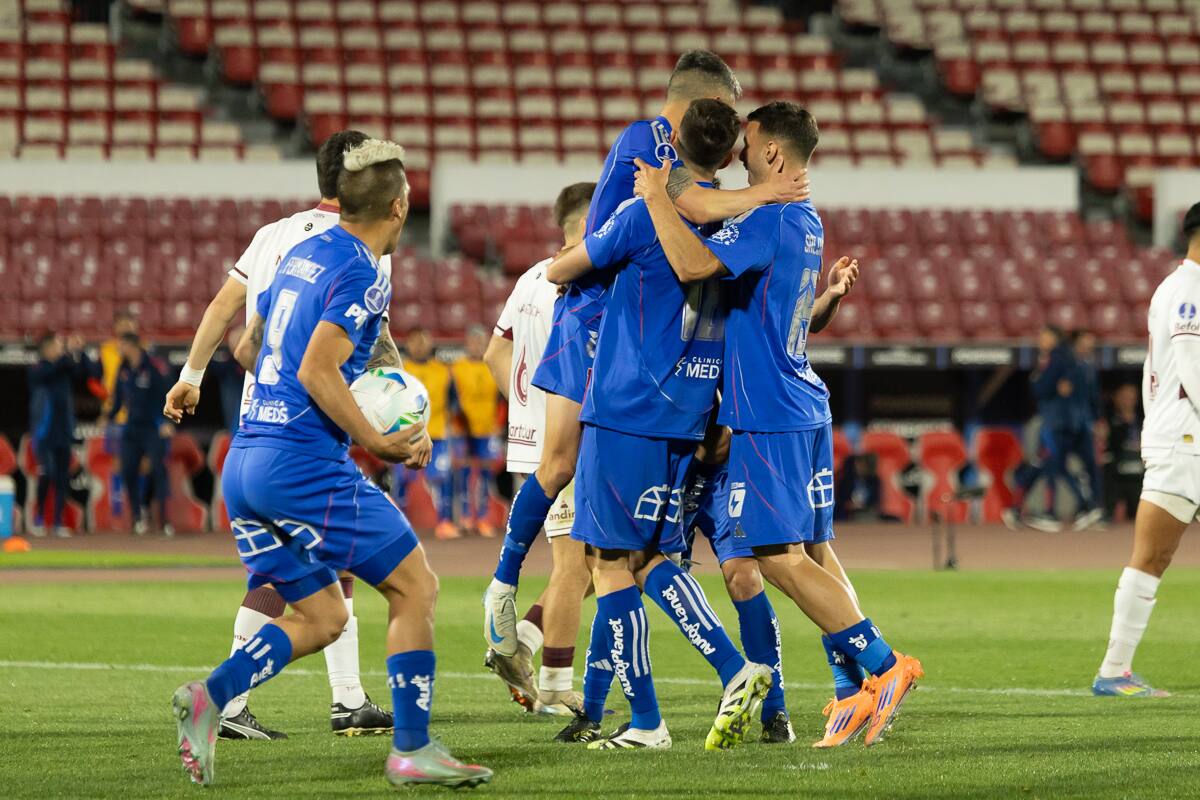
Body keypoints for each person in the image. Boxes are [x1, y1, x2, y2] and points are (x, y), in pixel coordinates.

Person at [171, 138, 491, 789]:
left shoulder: (299, 251)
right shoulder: (363, 269)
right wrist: (376, 437)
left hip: (248, 457)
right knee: (415, 587)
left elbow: (249, 343)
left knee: (323, 617)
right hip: (300, 464)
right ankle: (412, 749)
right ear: (400, 206)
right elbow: (319, 365)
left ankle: (210, 698)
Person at [482, 48, 810, 672]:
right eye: (723, 111)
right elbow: (690, 207)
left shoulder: (689, 164)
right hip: (593, 321)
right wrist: (768, 194)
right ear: (694, 105)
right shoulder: (647, 140)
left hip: (644, 344)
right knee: (559, 468)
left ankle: (569, 673)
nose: (731, 125)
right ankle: (503, 588)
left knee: (616, 543)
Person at [635, 100, 923, 748]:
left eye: (749, 142)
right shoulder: (805, 220)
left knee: (774, 557)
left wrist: (657, 196)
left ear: (772, 153)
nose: (739, 150)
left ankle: (885, 665)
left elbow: (692, 264)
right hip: (801, 403)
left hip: (767, 413)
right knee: (817, 552)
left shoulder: (767, 218)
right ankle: (851, 694)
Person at [546, 99, 774, 751]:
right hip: (691, 412)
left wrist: (552, 276)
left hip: (626, 406)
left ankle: (653, 718)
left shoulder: (644, 211)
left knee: (609, 561)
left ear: (673, 140)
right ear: (730, 155)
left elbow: (569, 266)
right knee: (647, 556)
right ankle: (735, 671)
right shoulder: (740, 224)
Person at [163, 129, 395, 740]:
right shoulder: (363, 240)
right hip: (317, 426)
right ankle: (323, 700)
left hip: (257, 424)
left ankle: (309, 699)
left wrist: (191, 375)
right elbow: (369, 338)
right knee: (353, 563)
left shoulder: (273, 236)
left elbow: (229, 319)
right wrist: (391, 401)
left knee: (284, 569)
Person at [480, 182, 595, 717]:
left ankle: (520, 642)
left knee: (590, 566)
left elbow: (493, 352)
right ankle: (553, 685)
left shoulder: (530, 277)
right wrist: (550, 417)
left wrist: (525, 409)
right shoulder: (577, 279)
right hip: (564, 446)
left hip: (530, 446)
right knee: (577, 567)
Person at [1091, 202, 1200, 698]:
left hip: (1178, 439)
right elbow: (1192, 365)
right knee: (1151, 555)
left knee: (1150, 557)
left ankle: (1115, 670)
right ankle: (1113, 672)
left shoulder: (1171, 287)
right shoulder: (1192, 290)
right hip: (1187, 442)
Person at [27, 333, 93, 537]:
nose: (59, 349)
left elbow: (85, 373)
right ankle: (38, 520)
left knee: (63, 478)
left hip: (64, 431)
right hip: (44, 433)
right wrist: (68, 353)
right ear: (46, 349)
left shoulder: (65, 369)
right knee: (46, 475)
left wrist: (79, 352)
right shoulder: (38, 369)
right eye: (56, 346)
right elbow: (50, 371)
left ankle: (57, 522)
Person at [108, 332, 174, 536]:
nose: (120, 348)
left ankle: (162, 520)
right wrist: (108, 417)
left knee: (157, 470)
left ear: (132, 346)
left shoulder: (154, 366)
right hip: (131, 428)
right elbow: (119, 398)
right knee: (128, 470)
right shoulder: (124, 368)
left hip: (153, 427)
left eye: (122, 344)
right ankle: (138, 516)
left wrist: (167, 421)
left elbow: (169, 393)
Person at [397, 327, 457, 539]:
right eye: (415, 341)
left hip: (437, 434)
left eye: (424, 340)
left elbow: (453, 401)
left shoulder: (443, 370)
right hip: (406, 435)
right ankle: (399, 525)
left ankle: (445, 522)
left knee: (441, 479)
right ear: (408, 344)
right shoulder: (401, 370)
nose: (420, 345)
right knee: (402, 480)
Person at [450, 326, 500, 537]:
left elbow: (501, 399)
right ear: (467, 343)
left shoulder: (493, 367)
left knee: (486, 475)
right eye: (474, 341)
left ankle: (482, 517)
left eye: (482, 341)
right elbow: (451, 400)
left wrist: (499, 424)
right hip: (463, 429)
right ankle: (464, 517)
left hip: (487, 428)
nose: (478, 345)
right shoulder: (456, 368)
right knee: (464, 473)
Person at [1102, 383, 1143, 523]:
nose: (1128, 401)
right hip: (1116, 475)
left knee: (1140, 518)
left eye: (1132, 397)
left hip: (1139, 476)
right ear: (1116, 398)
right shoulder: (1109, 420)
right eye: (1124, 397)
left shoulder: (1145, 419)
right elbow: (1107, 446)